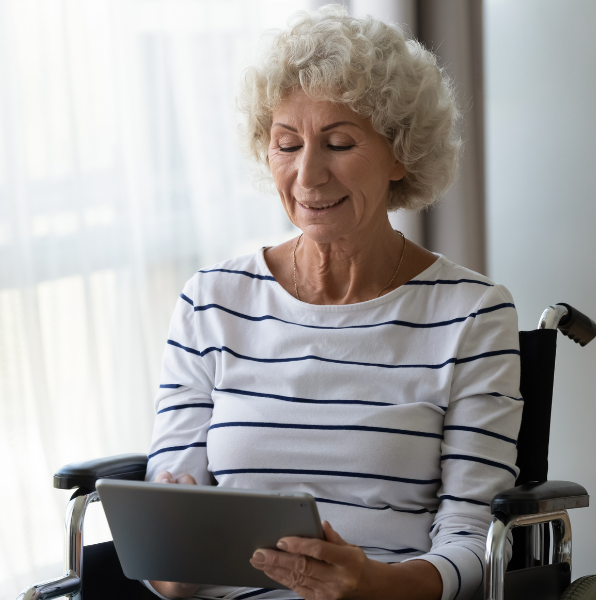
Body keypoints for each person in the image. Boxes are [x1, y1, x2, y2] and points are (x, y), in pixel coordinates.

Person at [144, 5, 521, 600]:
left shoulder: (471, 315)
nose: (307, 174)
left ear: (401, 152)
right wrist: (169, 549)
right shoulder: (211, 302)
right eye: (286, 144)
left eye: (339, 143)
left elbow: (475, 540)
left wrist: (376, 584)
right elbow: (170, 556)